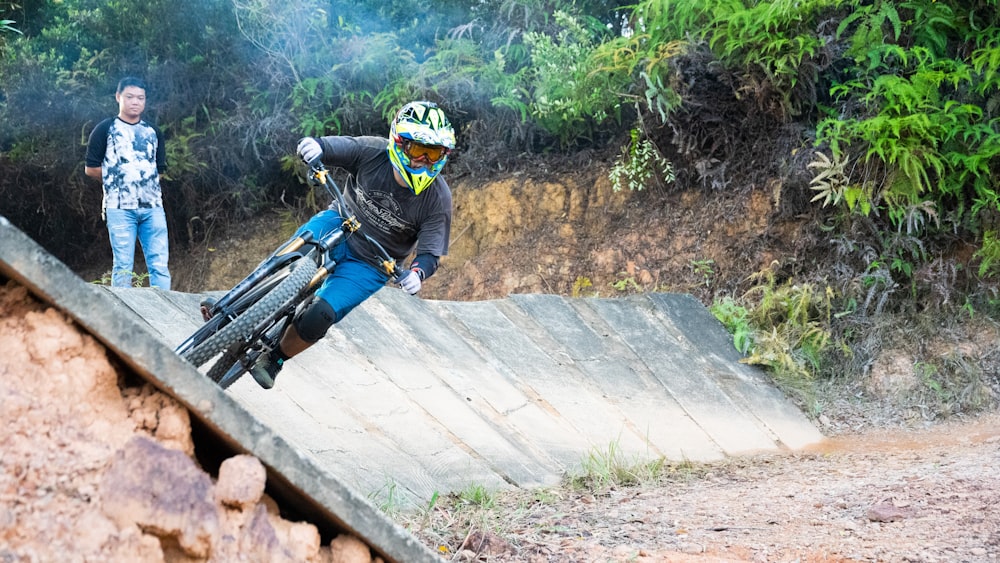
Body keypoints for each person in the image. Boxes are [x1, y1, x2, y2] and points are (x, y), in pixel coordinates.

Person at [249, 100, 456, 389]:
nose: (424, 160)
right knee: (294, 255)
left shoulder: (438, 198)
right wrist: (316, 146)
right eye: (418, 149)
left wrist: (417, 274)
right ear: (398, 142)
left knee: (319, 316)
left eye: (434, 152)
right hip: (339, 222)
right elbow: (336, 148)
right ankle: (237, 304)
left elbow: (430, 252)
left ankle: (275, 358)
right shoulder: (373, 151)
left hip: (373, 264)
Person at [85, 76, 171, 290]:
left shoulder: (153, 132)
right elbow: (91, 168)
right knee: (123, 265)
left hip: (153, 208)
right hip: (119, 208)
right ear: (118, 97)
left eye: (140, 98)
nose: (135, 102)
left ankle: (165, 312)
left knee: (159, 264)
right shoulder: (105, 129)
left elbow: (159, 169)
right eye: (130, 97)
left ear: (145, 101)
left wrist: (143, 182)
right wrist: (120, 179)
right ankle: (123, 314)